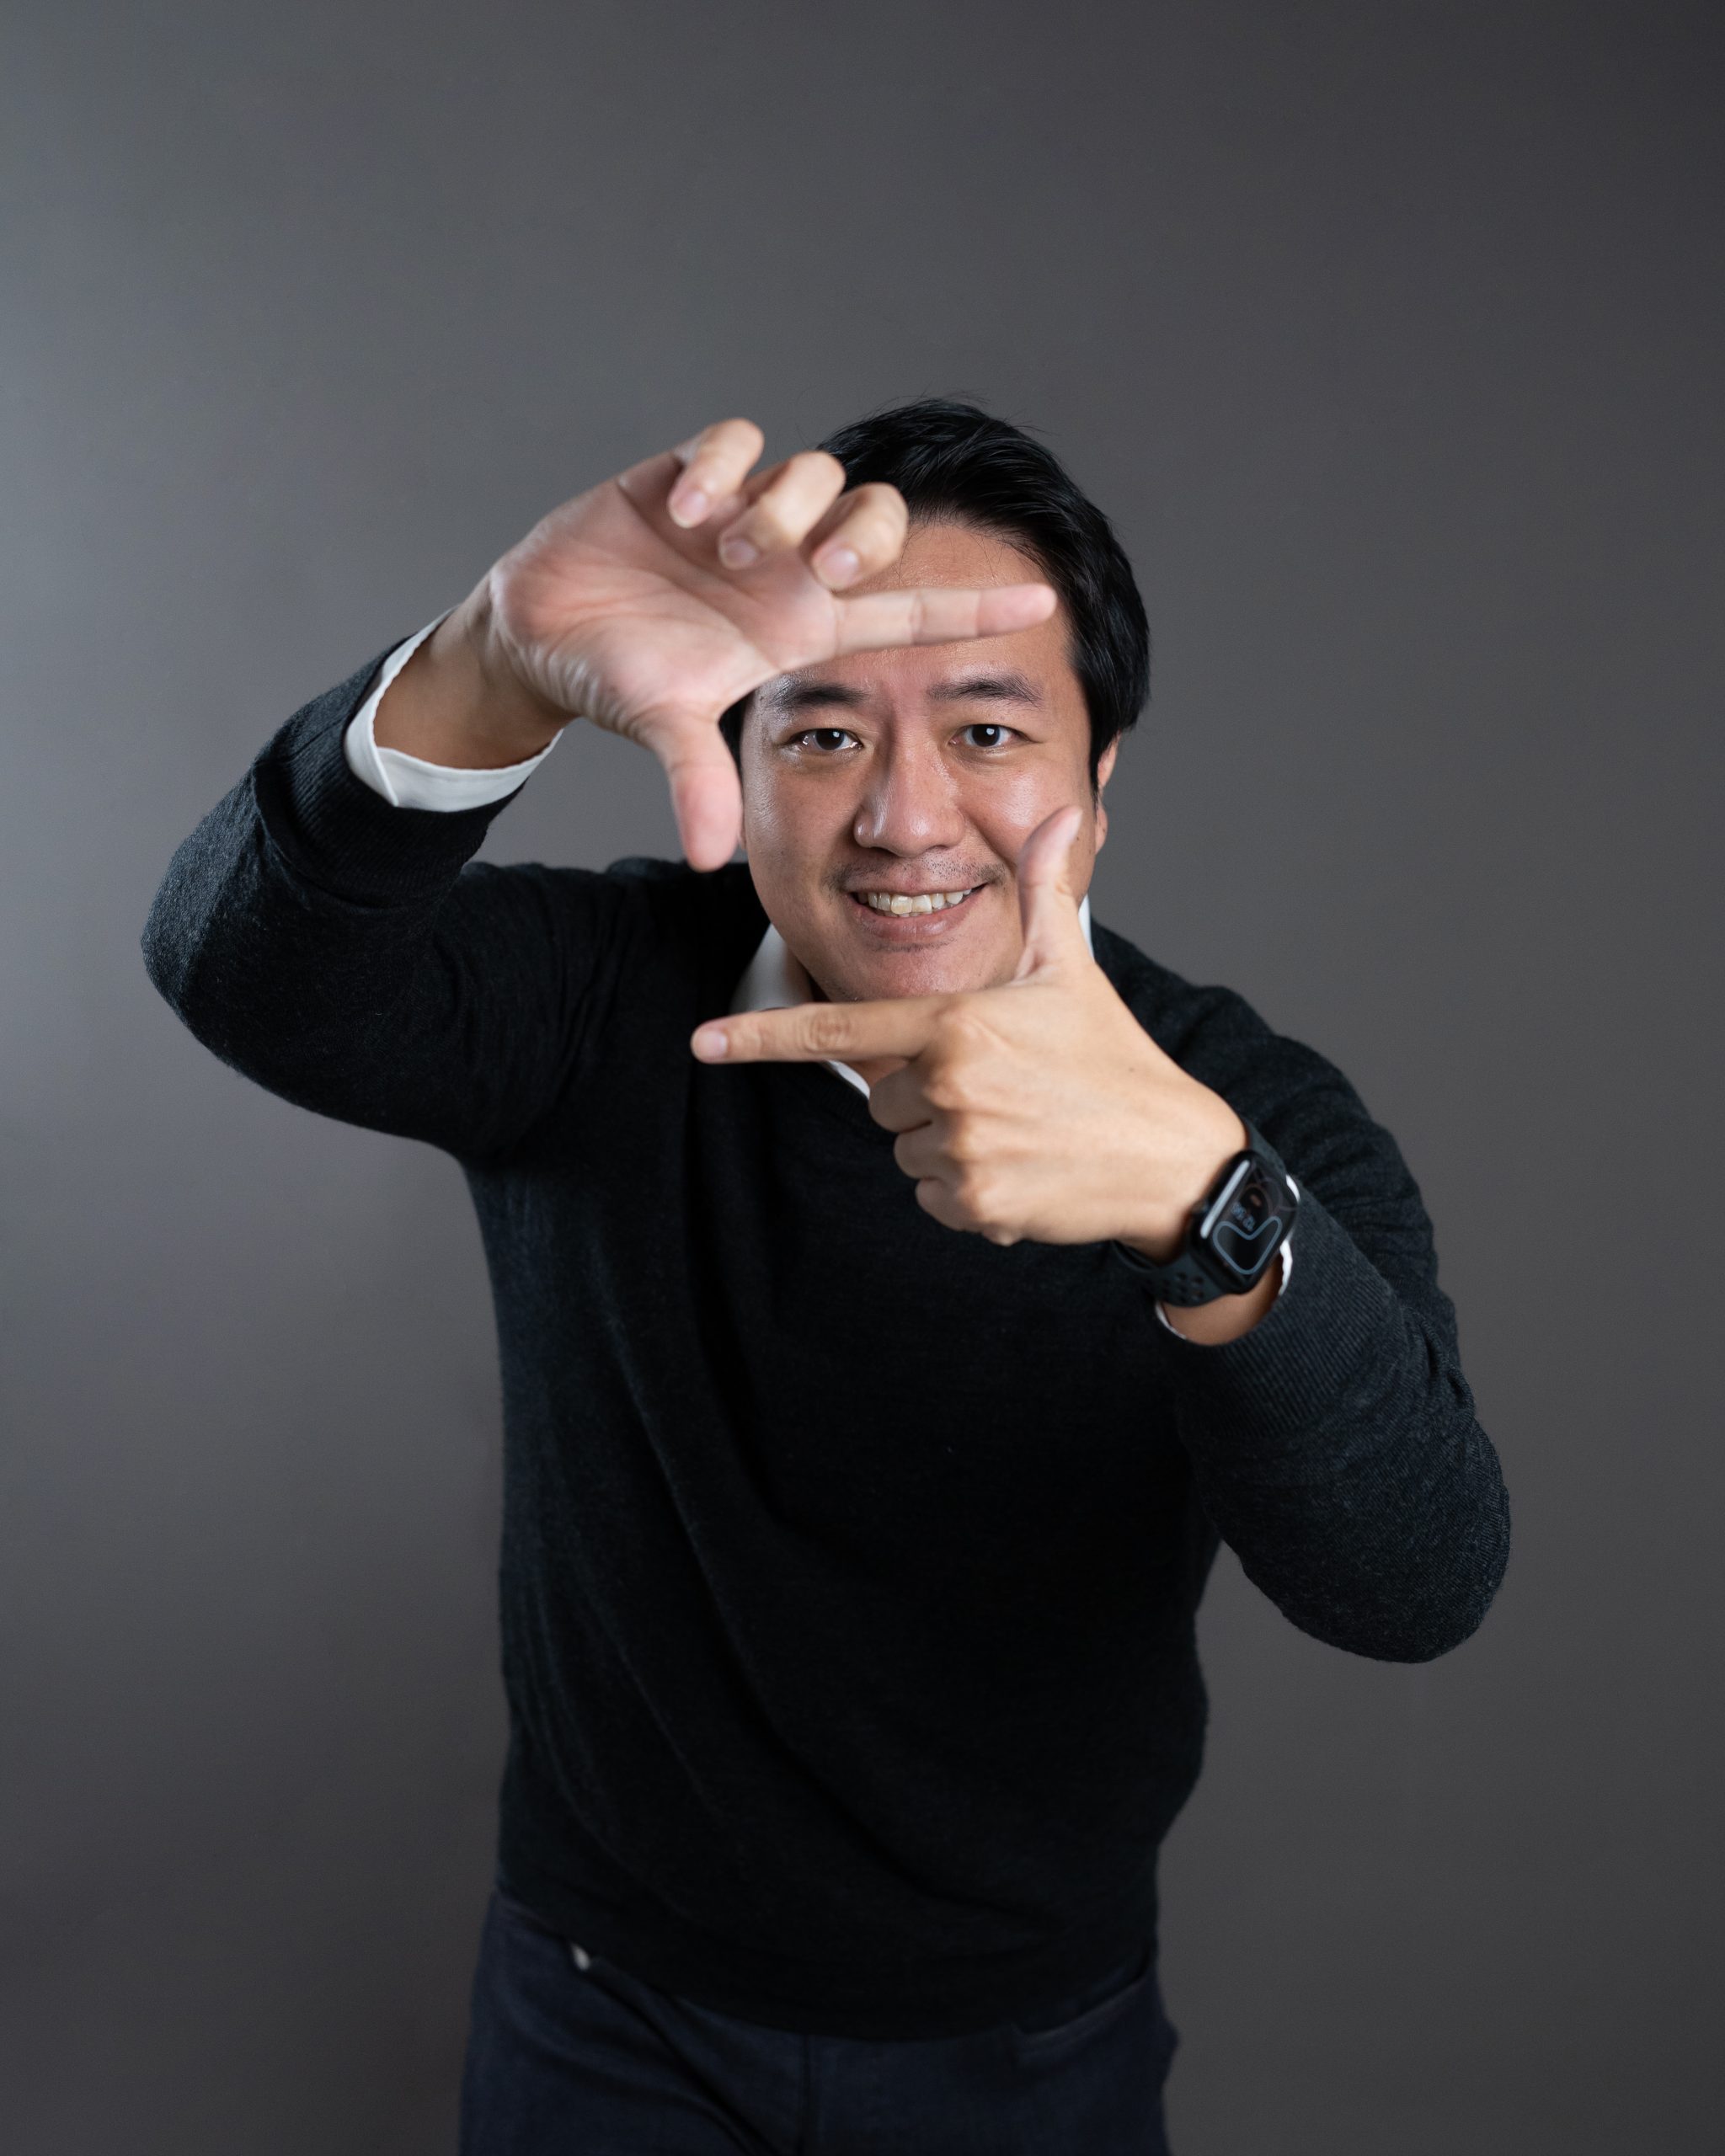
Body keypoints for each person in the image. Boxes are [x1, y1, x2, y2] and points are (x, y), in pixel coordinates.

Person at [142, 399, 1511, 2154]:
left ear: (1100, 781)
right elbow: (236, 966)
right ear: (734, 755)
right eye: (824, 732)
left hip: (1029, 2039)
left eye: (988, 728)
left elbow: (1418, 1580)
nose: (904, 816)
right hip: (604, 2003)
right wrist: (485, 664)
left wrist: (1201, 1206)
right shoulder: (603, 998)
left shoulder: (1246, 1112)